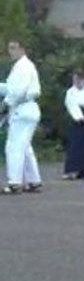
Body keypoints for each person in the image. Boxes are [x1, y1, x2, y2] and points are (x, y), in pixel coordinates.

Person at [1, 39, 43, 195]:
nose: (11, 51)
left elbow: (18, 91)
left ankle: (14, 183)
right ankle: (33, 181)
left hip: (22, 108)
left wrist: (5, 104)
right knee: (24, 147)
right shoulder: (22, 66)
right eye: (9, 48)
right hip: (27, 108)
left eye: (14, 48)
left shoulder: (23, 67)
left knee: (14, 146)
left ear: (22, 49)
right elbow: (10, 87)